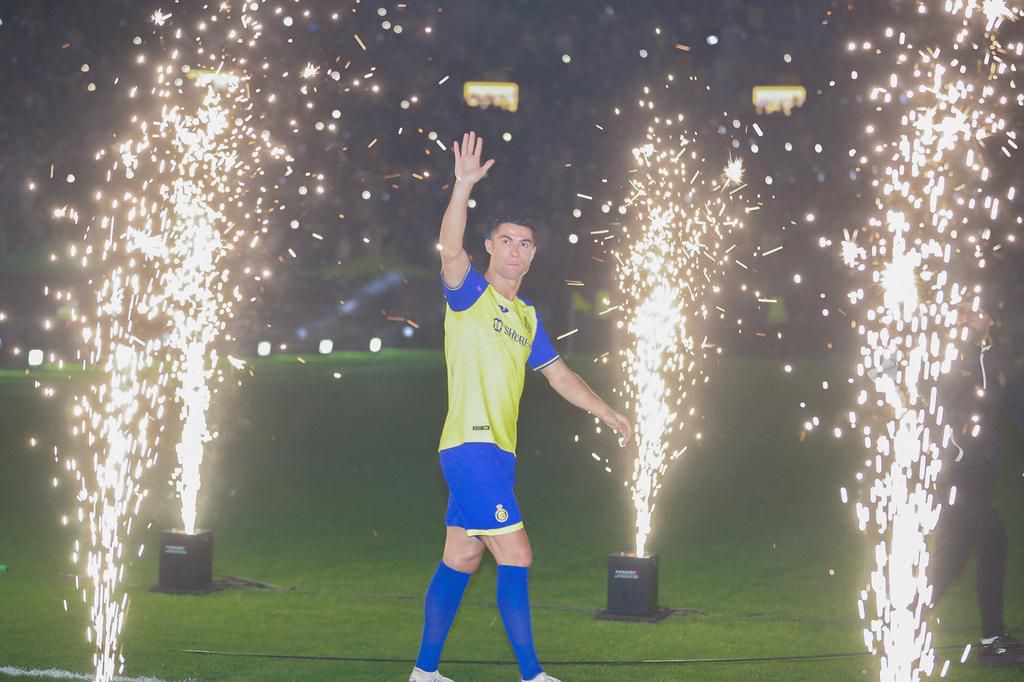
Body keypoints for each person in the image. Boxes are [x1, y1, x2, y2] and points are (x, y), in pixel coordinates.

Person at [409, 132, 633, 682]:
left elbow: (559, 374)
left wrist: (605, 411)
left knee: (462, 558)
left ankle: (424, 673)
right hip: (470, 446)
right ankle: (533, 676)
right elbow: (450, 249)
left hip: (497, 454)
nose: (515, 250)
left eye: (525, 244)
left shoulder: (527, 317)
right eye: (507, 240)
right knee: (518, 554)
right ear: (491, 247)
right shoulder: (469, 295)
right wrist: (461, 187)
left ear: (534, 255)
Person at [930, 303, 1024, 666]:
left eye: (976, 313)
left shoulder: (1000, 361)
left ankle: (903, 614)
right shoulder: (951, 358)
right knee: (991, 540)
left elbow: (1017, 410)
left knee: (952, 559)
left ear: (990, 319)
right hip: (955, 472)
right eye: (963, 313)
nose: (969, 318)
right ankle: (993, 640)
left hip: (982, 473)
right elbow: (936, 399)